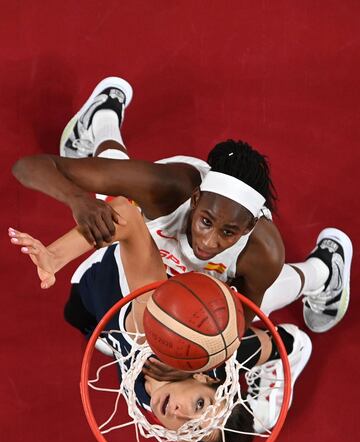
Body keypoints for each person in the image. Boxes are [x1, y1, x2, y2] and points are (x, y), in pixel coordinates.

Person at [9, 195, 311, 442]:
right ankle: (303, 318)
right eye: (200, 404)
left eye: (191, 427)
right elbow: (125, 214)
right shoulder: (149, 322)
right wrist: (55, 255)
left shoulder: (185, 427)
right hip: (126, 282)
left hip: (117, 322)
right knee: (258, 331)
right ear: (207, 379)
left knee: (82, 320)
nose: (181, 415)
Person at [11, 77, 353, 334]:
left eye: (228, 232)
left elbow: (236, 325)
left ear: (247, 229)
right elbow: (27, 166)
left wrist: (195, 351)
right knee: (108, 197)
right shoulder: (166, 190)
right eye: (206, 222)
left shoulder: (262, 252)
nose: (209, 242)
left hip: (213, 283)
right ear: (196, 200)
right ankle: (101, 118)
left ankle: (324, 271)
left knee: (271, 288)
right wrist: (76, 201)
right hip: (154, 219)